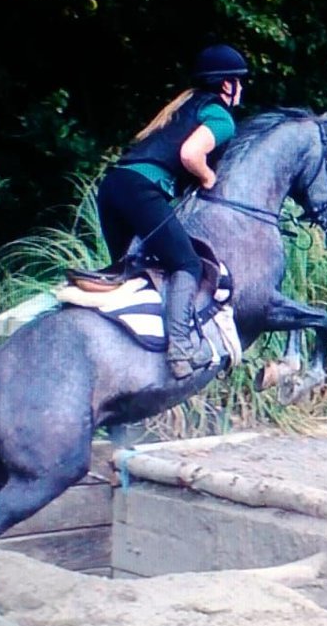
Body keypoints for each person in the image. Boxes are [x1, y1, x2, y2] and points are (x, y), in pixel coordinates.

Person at [95, 43, 248, 379]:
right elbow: (191, 156)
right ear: (227, 84)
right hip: (140, 191)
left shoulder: (182, 108)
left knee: (131, 271)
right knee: (186, 264)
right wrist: (208, 177)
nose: (242, 87)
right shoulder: (220, 116)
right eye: (239, 80)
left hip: (112, 188)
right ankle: (180, 349)